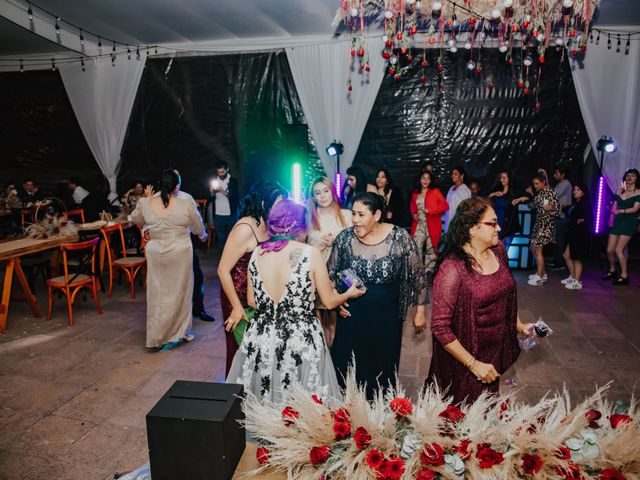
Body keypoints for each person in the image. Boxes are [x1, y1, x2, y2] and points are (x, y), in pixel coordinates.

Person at [227, 199, 364, 404]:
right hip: (300, 336)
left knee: (264, 394)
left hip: (263, 334)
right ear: (300, 225)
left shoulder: (257, 252)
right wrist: (349, 294)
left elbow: (252, 301)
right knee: (303, 401)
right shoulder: (311, 253)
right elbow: (328, 302)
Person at [427, 197, 535, 404]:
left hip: (493, 352)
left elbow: (504, 295)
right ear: (472, 228)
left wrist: (519, 326)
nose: (499, 227)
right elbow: (440, 327)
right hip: (464, 358)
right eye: (493, 223)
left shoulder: (499, 250)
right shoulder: (453, 268)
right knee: (461, 416)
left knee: (485, 412)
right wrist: (473, 364)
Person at [328, 192, 428, 399]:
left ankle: (378, 413)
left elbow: (418, 274)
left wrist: (420, 312)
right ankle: (346, 414)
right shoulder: (345, 238)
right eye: (353, 213)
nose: (355, 219)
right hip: (352, 315)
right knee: (346, 363)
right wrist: (337, 302)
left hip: (387, 317)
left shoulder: (400, 237)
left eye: (361, 214)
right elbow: (331, 273)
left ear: (377, 215)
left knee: (381, 365)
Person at [130, 170, 207, 350]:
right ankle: (180, 332)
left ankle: (157, 335)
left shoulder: (146, 203)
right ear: (177, 186)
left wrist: (146, 202)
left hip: (156, 251)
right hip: (180, 250)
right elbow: (197, 227)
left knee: (157, 292)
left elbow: (136, 219)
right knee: (181, 291)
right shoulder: (185, 203)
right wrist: (202, 235)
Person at [219, 180, 288, 375]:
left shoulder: (268, 223)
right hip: (236, 296)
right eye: (279, 204)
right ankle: (236, 397)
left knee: (259, 351)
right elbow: (222, 270)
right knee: (240, 350)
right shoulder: (245, 228)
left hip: (256, 296)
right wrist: (236, 307)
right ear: (265, 202)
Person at [306, 177, 352, 346]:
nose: (323, 196)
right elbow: (302, 250)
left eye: (326, 191)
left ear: (333, 191)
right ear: (313, 196)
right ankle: (321, 363)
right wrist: (320, 245)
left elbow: (353, 247)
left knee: (335, 324)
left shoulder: (346, 216)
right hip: (316, 275)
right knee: (317, 325)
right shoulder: (309, 217)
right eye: (317, 193)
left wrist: (337, 242)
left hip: (340, 275)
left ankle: (335, 364)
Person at [513, 173, 560, 286]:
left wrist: (552, 207)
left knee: (538, 251)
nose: (535, 186)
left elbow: (558, 210)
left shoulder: (550, 192)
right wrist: (521, 199)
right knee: (533, 248)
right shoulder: (540, 193)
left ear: (544, 182)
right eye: (534, 184)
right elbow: (533, 204)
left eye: (537, 183)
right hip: (538, 225)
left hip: (545, 226)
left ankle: (540, 277)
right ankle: (542, 273)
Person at [603, 168, 640, 286]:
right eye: (628, 175)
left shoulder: (639, 192)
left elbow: (635, 209)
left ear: (637, 178)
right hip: (617, 221)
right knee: (609, 250)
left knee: (619, 250)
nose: (629, 178)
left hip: (629, 222)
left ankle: (624, 275)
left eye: (632, 176)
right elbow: (614, 207)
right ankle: (613, 270)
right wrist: (611, 217)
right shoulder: (619, 189)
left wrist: (621, 211)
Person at [410, 171, 449, 273]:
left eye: (428, 178)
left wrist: (431, 211)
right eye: (423, 178)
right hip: (419, 225)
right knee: (415, 247)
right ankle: (418, 272)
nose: (426, 180)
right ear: (420, 179)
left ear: (431, 181)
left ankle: (428, 273)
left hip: (433, 225)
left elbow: (445, 205)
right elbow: (412, 206)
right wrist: (414, 214)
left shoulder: (435, 191)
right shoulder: (415, 193)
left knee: (431, 250)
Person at [561, 183, 592, 290]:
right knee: (566, 255)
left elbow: (586, 219)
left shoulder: (585, 203)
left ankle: (577, 282)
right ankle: (573, 277)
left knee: (577, 258)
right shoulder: (576, 203)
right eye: (574, 189)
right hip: (573, 233)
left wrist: (581, 220)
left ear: (583, 192)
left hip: (580, 234)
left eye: (578, 189)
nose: (575, 191)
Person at [209, 160, 239, 250]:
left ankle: (233, 261)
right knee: (221, 241)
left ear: (227, 169)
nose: (220, 174)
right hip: (218, 215)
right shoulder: (214, 181)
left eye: (222, 172)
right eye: (218, 172)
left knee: (232, 239)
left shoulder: (233, 181)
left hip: (231, 215)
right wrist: (211, 192)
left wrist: (221, 190)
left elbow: (234, 197)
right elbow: (210, 199)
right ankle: (223, 261)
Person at [488, 170, 521, 248]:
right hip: (495, 226)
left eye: (504, 178)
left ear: (509, 179)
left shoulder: (513, 194)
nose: (501, 179)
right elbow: (485, 201)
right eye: (501, 178)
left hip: (506, 227)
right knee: (494, 253)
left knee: (503, 253)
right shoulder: (497, 192)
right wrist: (492, 194)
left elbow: (529, 197)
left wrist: (520, 199)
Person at [550, 167, 573, 270]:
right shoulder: (560, 184)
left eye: (556, 173)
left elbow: (553, 195)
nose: (555, 175)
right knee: (554, 238)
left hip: (562, 215)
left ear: (562, 174)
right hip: (557, 214)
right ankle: (557, 260)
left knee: (560, 238)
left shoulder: (565, 184)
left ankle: (561, 263)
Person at [443, 166, 472, 232]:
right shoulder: (451, 188)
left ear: (462, 175)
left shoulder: (464, 190)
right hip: (448, 219)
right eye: (452, 174)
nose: (453, 176)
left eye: (456, 174)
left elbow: (466, 208)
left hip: (457, 222)